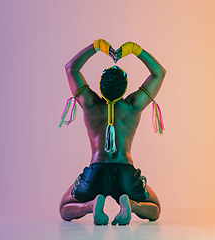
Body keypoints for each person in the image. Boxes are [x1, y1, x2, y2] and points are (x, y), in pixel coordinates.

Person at [59, 39, 166, 225]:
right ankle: (132, 206)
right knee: (155, 209)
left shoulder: (90, 103)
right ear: (125, 87)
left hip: (96, 172)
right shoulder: (133, 105)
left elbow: (71, 68)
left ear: (101, 85)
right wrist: (134, 49)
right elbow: (159, 73)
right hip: (125, 172)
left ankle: (90, 206)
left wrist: (96, 46)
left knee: (64, 208)